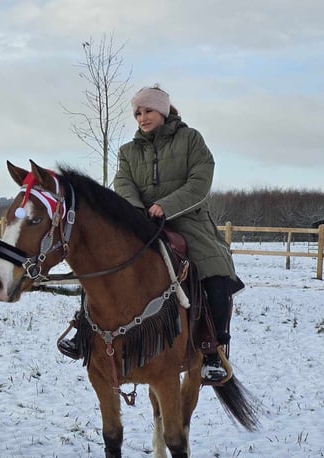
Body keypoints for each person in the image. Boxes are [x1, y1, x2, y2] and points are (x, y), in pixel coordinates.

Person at [58, 84, 242, 384]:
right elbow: (124, 183)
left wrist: (166, 206)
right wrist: (134, 212)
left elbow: (200, 181)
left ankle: (212, 350)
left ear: (163, 111)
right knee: (99, 264)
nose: (142, 118)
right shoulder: (128, 151)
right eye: (138, 113)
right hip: (140, 221)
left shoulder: (190, 139)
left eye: (148, 111)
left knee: (216, 271)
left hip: (187, 220)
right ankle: (84, 330)